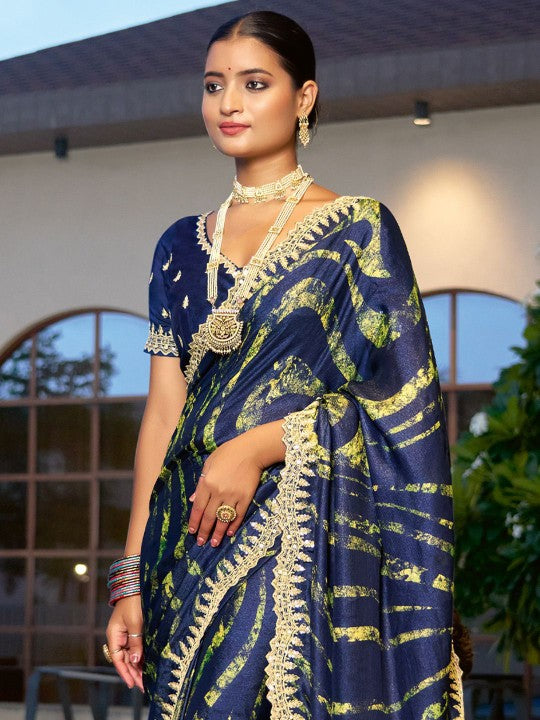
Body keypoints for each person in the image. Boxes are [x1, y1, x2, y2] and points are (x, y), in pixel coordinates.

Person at [104, 10, 464, 720]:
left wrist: (259, 446)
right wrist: (131, 575)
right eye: (214, 85)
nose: (228, 103)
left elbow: (402, 402)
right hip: (187, 537)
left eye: (254, 83)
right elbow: (164, 412)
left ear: (303, 97)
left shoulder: (359, 231)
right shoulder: (179, 246)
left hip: (302, 531)